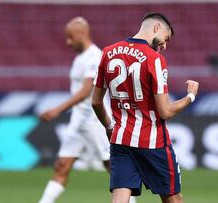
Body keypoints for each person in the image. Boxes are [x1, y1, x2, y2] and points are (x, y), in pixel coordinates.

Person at [92, 12, 199, 203]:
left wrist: (109, 128)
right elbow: (165, 111)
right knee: (173, 199)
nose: (164, 46)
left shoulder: (108, 52)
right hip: (152, 142)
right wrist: (190, 96)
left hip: (121, 139)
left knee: (119, 199)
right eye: (166, 39)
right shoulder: (154, 59)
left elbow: (96, 101)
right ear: (156, 27)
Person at [38, 17, 112, 203]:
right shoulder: (81, 58)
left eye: (70, 37)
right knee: (62, 165)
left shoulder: (95, 57)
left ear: (82, 34)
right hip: (78, 121)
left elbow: (88, 90)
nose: (68, 42)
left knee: (113, 166)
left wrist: (58, 109)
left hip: (95, 120)